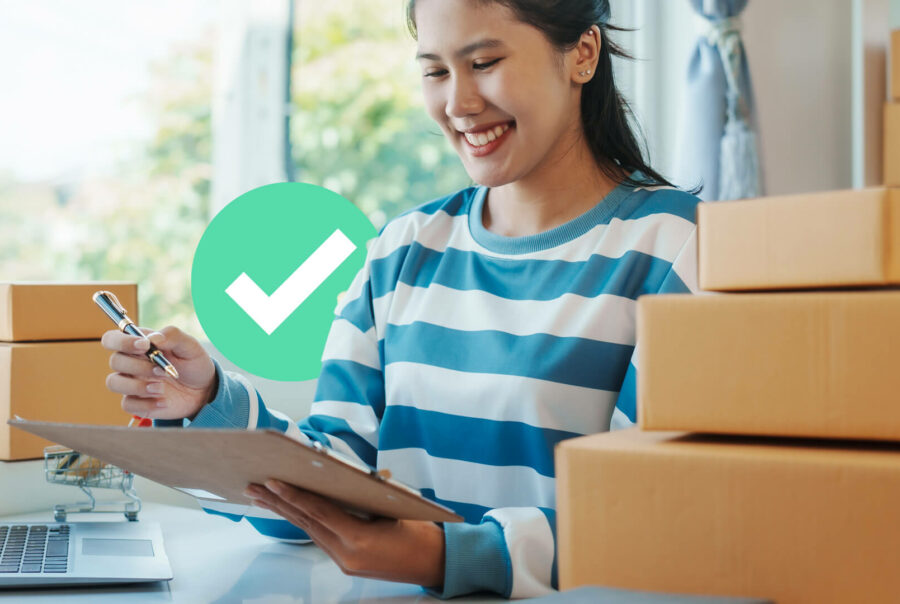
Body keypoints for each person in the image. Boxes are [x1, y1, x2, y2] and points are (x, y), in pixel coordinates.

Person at [101, 0, 700, 598]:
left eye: (485, 61)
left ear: (583, 55)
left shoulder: (680, 247)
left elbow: (659, 516)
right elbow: (335, 475)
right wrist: (207, 402)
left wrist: (443, 557)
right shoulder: (401, 250)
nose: (458, 104)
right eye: (435, 72)